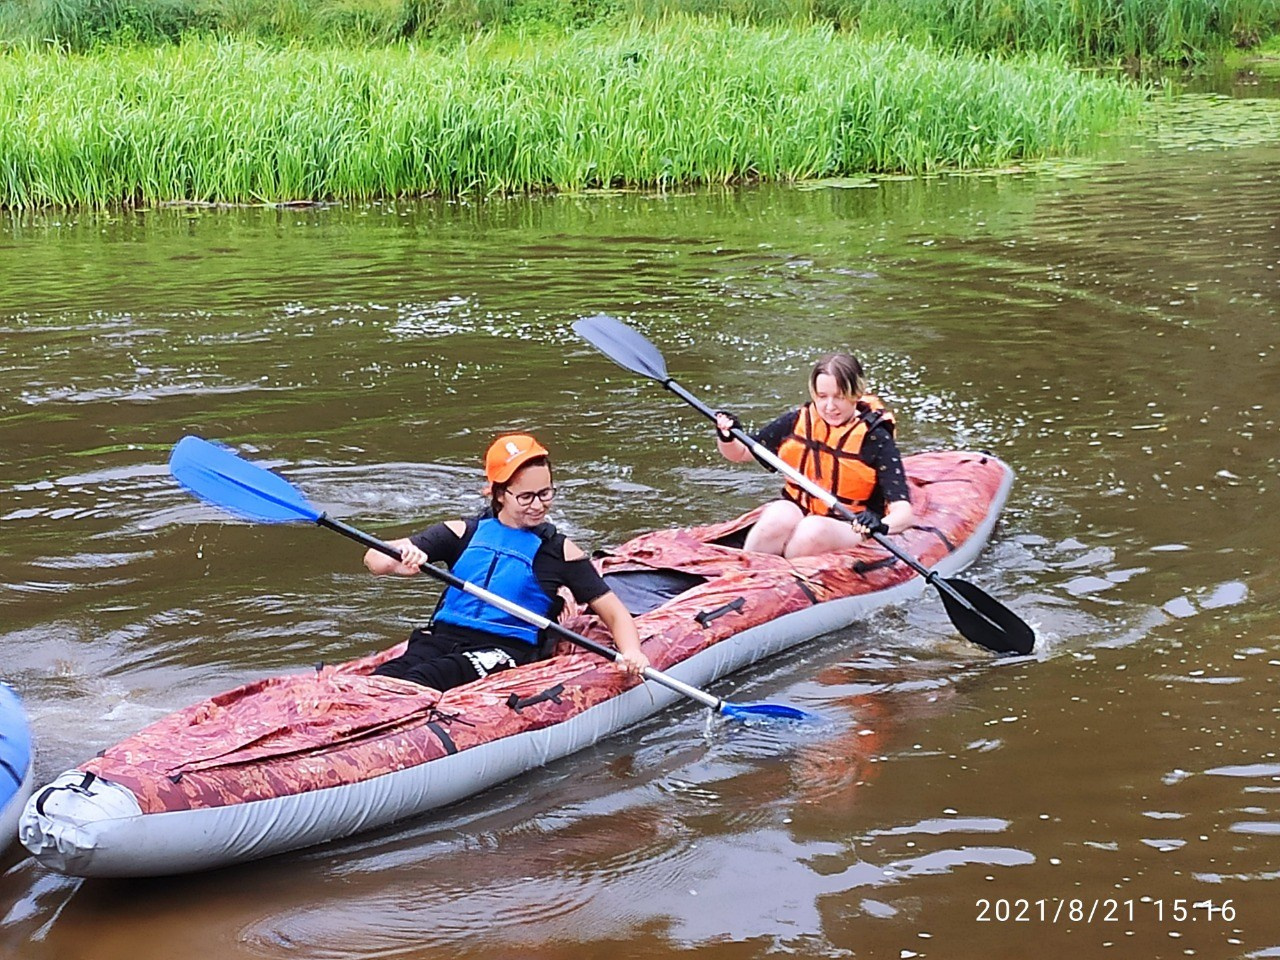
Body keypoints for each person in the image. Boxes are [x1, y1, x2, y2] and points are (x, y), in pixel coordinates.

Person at [366, 433, 649, 691]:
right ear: (499, 494)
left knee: (424, 679)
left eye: (545, 493)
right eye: (526, 497)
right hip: (441, 639)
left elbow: (614, 613)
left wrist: (632, 651)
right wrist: (400, 558)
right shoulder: (462, 533)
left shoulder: (559, 551)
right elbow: (374, 561)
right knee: (385, 677)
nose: (538, 506)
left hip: (503, 650)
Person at [713, 353, 913, 559]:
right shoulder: (798, 421)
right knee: (778, 513)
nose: (829, 406)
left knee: (812, 529)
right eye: (822, 396)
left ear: (857, 392)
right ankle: (747, 572)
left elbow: (903, 513)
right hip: (802, 511)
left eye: (840, 396)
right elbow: (742, 453)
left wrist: (880, 525)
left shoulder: (875, 437)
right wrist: (727, 437)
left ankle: (789, 579)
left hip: (849, 525)